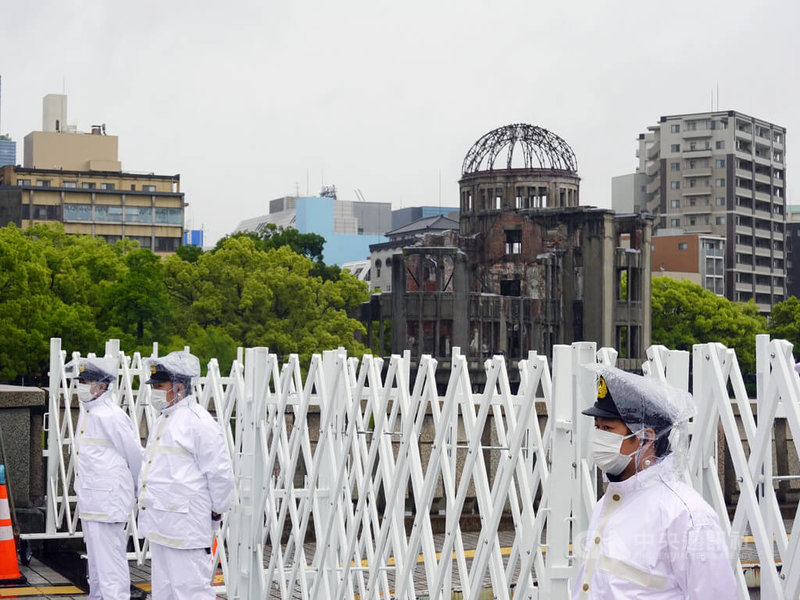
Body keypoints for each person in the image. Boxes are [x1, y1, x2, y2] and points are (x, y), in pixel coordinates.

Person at [572, 365, 737, 599]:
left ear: (646, 438)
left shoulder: (684, 514)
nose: (599, 437)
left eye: (608, 428)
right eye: (597, 427)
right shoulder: (608, 503)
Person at [137, 351, 235, 600]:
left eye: (160, 386)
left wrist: (217, 508)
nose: (155, 391)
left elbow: (220, 473)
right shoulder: (165, 420)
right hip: (162, 525)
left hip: (186, 528)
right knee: (164, 592)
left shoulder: (198, 422)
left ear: (179, 387)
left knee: (191, 591)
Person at [70, 356, 143, 600]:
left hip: (107, 501)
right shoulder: (89, 412)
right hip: (92, 500)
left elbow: (134, 455)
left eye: (86, 380)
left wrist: (138, 491)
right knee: (98, 566)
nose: (81, 384)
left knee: (110, 565)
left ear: (102, 385)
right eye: (79, 379)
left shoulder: (111, 415)